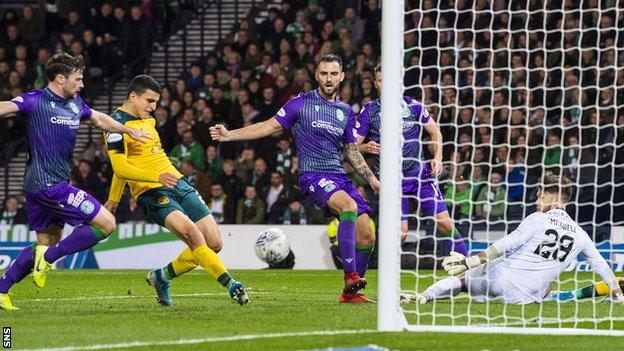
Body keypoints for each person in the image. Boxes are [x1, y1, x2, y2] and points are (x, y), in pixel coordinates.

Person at [211, 54, 380, 303]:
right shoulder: (300, 103)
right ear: (316, 75)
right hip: (313, 175)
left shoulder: (345, 112)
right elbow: (268, 126)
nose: (329, 78)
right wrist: (229, 135)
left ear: (342, 77)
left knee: (367, 234)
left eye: (334, 73)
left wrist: (373, 180)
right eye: (324, 73)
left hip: (339, 178)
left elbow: (351, 152)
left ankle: (351, 294)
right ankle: (351, 276)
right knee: (349, 206)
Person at [0, 53, 150, 311]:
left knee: (47, 242)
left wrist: (127, 130)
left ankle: (2, 290)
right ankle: (46, 258)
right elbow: (4, 108)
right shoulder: (34, 100)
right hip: (48, 186)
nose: (82, 84)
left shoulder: (75, 103)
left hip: (44, 186)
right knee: (106, 224)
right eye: (77, 79)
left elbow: (100, 119)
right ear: (60, 78)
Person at [103, 75, 248, 306]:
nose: (153, 108)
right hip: (150, 192)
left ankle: (162, 276)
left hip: (177, 182)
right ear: (133, 96)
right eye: (149, 101)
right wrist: (115, 198)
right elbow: (120, 167)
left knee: (214, 243)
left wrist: (114, 198)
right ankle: (230, 283)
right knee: (193, 234)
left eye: (156, 102)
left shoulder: (147, 121)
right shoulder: (114, 125)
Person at [414, 173, 624, 305]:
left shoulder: (539, 218)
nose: (536, 201)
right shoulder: (581, 234)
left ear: (558, 199)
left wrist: (470, 261)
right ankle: (597, 293)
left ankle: (426, 295)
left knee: (464, 282)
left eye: (542, 196)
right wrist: (617, 293)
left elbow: (507, 244)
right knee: (547, 286)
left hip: (499, 281)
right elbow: (602, 266)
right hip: (524, 297)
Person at [356, 64, 467, 254]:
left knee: (445, 224)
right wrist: (365, 147)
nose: (386, 84)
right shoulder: (369, 112)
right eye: (381, 80)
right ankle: (380, 268)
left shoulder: (413, 106)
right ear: (376, 84)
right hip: (392, 181)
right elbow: (352, 147)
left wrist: (438, 158)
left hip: (420, 175)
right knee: (401, 234)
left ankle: (467, 263)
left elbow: (435, 132)